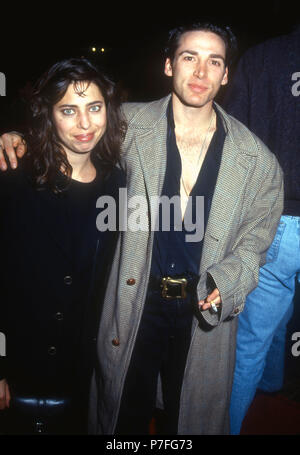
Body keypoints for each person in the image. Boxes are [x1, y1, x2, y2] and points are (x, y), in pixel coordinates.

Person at [0, 22, 284, 435]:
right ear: (169, 65)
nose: (201, 73)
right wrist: (16, 139)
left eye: (214, 62)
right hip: (129, 304)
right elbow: (69, 132)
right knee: (120, 416)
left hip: (202, 308)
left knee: (192, 419)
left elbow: (257, 237)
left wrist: (235, 275)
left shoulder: (257, 159)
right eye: (190, 57)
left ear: (226, 75)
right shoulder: (126, 126)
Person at [0, 58, 126, 434]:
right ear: (49, 115)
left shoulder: (118, 185)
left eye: (94, 107)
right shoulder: (14, 178)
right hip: (19, 370)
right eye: (68, 110)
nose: (85, 124)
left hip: (82, 376)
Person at [223, 24, 300, 435]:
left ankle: (233, 422)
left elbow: (232, 137)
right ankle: (272, 384)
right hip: (280, 218)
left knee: (249, 344)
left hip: (278, 219)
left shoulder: (262, 57)